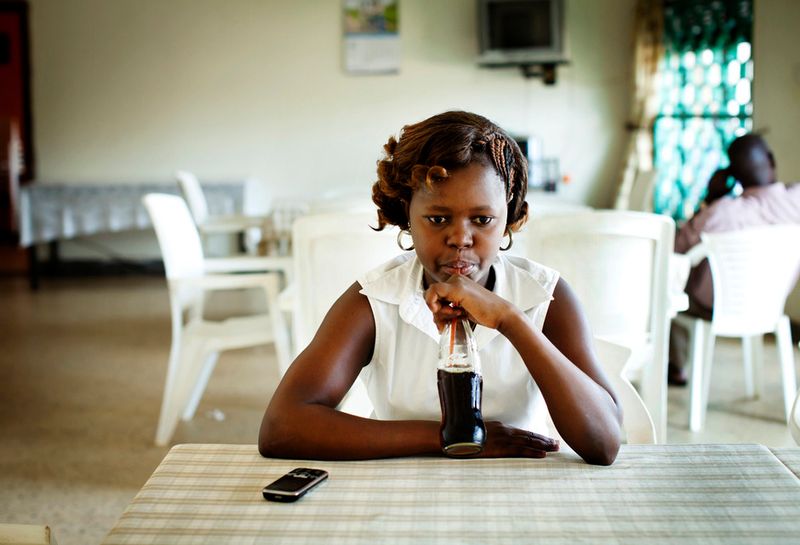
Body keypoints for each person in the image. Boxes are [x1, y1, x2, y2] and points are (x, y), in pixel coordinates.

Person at [259, 111, 622, 465]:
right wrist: (455, 437)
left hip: (522, 492)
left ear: (508, 217)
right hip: (401, 492)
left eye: (482, 220)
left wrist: (510, 319)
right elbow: (282, 426)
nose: (460, 238)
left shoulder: (545, 296)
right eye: (437, 218)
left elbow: (604, 443)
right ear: (407, 213)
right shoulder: (374, 301)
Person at [669, 133, 800, 385]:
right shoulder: (796, 200)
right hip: (771, 302)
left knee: (667, 282)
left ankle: (675, 366)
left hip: (717, 305)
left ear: (733, 175)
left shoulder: (720, 212)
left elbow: (675, 247)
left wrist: (711, 197)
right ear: (771, 160)